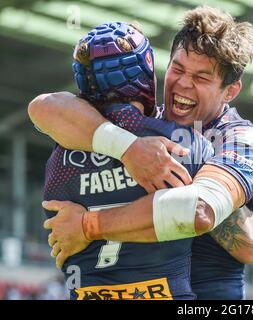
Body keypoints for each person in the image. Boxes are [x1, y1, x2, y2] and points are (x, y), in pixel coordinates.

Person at [29, 6, 253, 299]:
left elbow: (203, 214)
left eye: (201, 77)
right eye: (178, 68)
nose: (183, 83)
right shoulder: (146, 126)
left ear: (230, 91)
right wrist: (129, 149)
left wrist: (86, 225)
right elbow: (44, 108)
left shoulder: (241, 140)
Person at [40, 21, 215, 300]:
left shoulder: (59, 160)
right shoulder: (186, 145)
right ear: (145, 70)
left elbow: (46, 106)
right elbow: (210, 217)